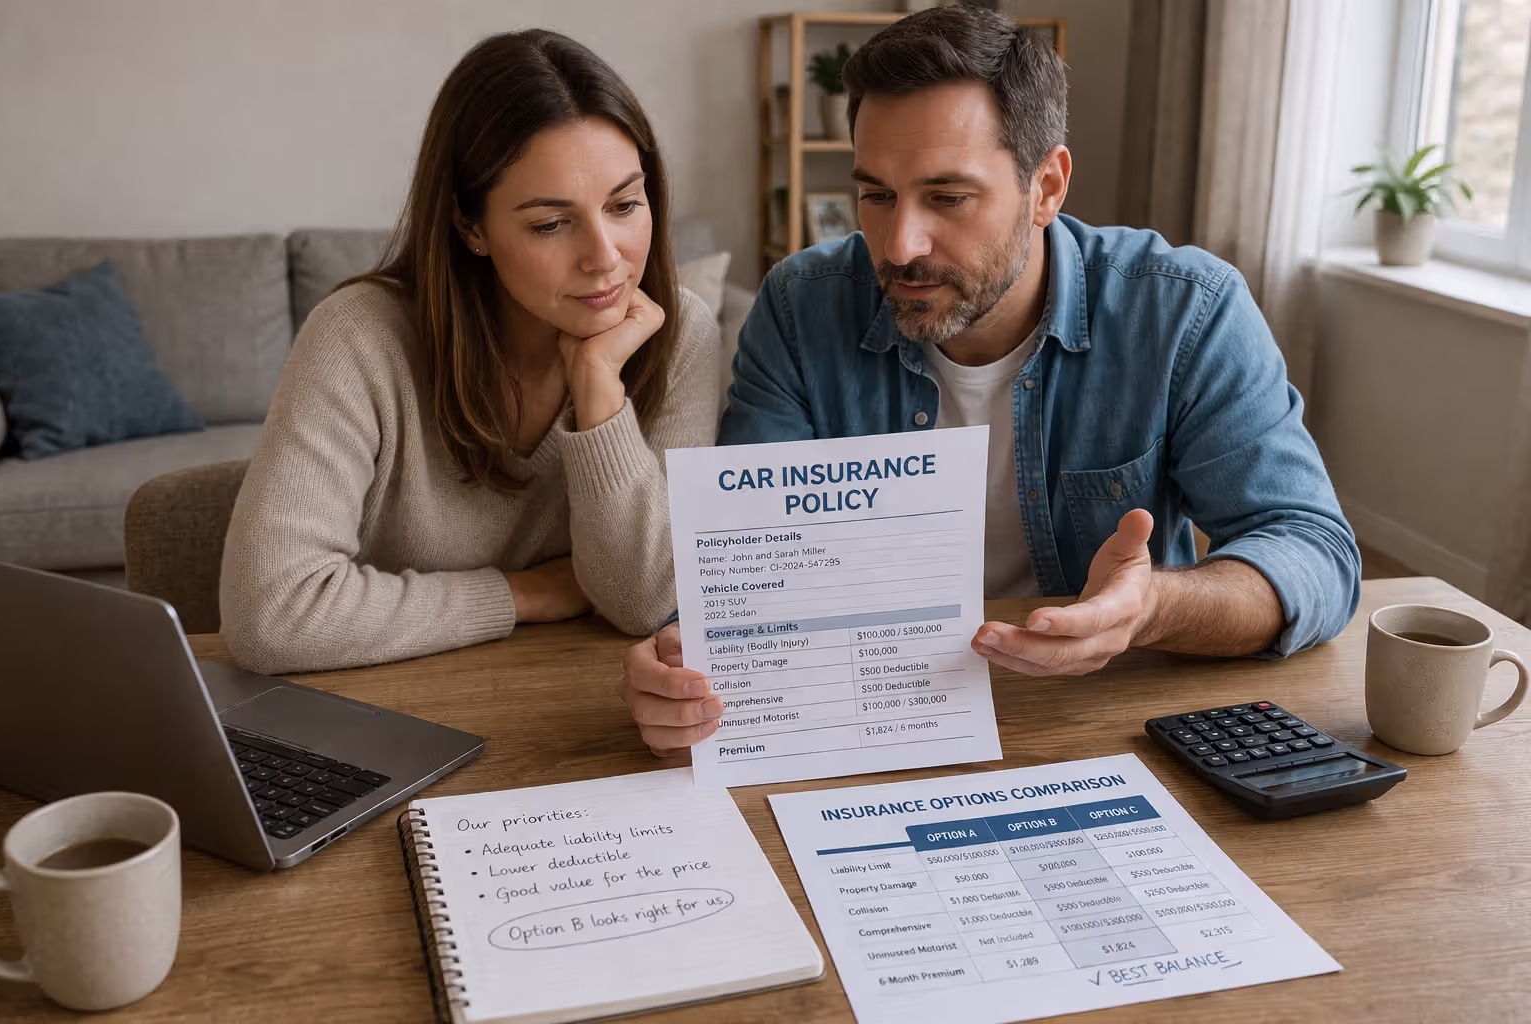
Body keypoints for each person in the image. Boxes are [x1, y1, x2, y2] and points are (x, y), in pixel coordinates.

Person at [618, 5, 1360, 756]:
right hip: (867, 717)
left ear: (1047, 187)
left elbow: (1314, 553)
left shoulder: (1183, 310)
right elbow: (750, 566)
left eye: (948, 198)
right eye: (876, 195)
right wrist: (689, 661)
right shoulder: (800, 305)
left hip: (1096, 722)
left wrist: (1151, 607)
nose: (901, 244)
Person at [221, 30, 718, 674]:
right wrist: (522, 593)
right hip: (383, 708)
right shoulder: (359, 335)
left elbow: (647, 602)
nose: (605, 258)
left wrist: (598, 388)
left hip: (572, 709)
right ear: (470, 225)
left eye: (625, 204)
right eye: (550, 224)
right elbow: (272, 616)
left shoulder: (680, 334)